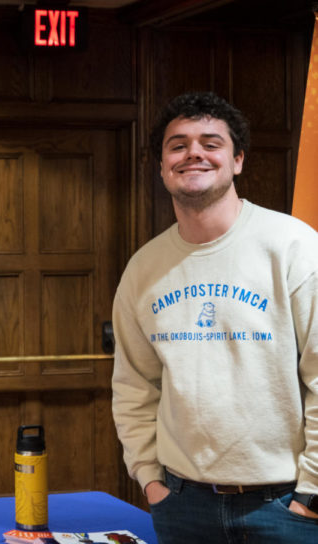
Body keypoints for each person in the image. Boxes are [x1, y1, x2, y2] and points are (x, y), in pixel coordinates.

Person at [111, 91, 318, 542]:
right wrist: (150, 479)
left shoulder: (294, 247)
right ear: (162, 164)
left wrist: (312, 493)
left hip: (285, 508)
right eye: (178, 144)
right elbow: (134, 387)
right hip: (183, 506)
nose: (194, 154)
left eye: (211, 142)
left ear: (238, 160)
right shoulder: (143, 269)